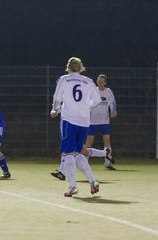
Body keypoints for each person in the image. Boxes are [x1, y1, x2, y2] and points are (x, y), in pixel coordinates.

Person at [50, 57, 101, 197]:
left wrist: (55, 110)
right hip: (84, 122)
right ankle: (93, 181)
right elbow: (97, 100)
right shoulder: (88, 81)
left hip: (69, 120)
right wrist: (85, 106)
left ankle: (73, 186)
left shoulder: (64, 79)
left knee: (67, 153)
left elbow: (57, 98)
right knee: (78, 152)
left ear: (68, 67)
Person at [87, 74, 117, 170]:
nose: (100, 83)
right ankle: (84, 163)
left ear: (105, 83)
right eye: (99, 81)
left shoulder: (108, 92)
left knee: (107, 141)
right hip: (92, 121)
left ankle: (107, 163)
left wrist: (113, 111)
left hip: (104, 121)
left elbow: (112, 103)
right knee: (88, 142)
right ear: (97, 82)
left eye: (102, 81)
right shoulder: (93, 91)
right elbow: (87, 103)